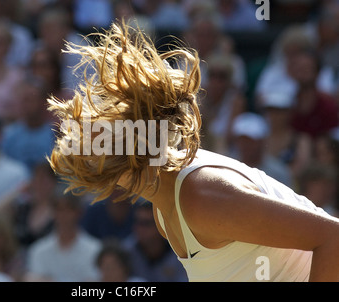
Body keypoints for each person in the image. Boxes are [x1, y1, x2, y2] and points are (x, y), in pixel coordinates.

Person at [47, 22, 339, 282]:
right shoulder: (164, 209)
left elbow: (333, 237)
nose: (90, 151)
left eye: (98, 140)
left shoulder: (202, 197)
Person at [24, 192, 101, 282]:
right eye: (59, 210)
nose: (63, 215)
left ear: (79, 212)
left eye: (69, 210)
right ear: (53, 213)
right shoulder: (38, 251)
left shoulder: (95, 250)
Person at [122, 202, 187, 282]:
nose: (139, 228)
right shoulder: (126, 251)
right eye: (137, 222)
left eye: (146, 223)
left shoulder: (179, 252)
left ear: (159, 225)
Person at [0, 77, 54, 170]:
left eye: (30, 100)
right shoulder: (8, 134)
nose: (26, 104)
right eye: (24, 100)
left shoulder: (55, 134)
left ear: (44, 102)